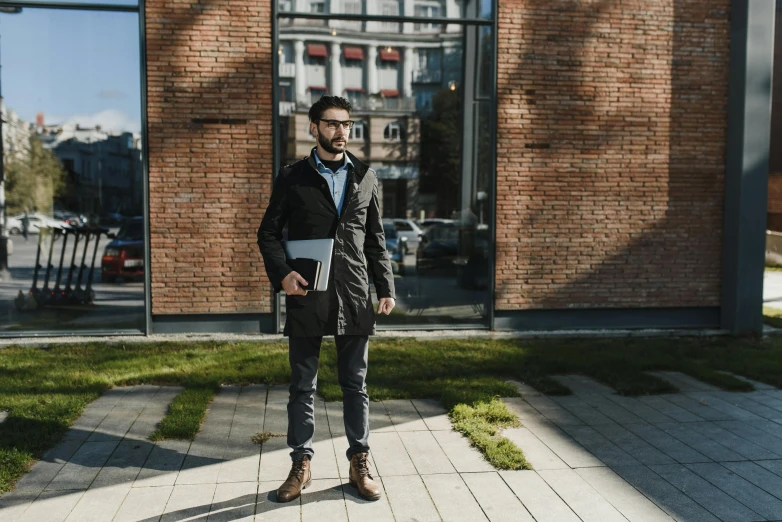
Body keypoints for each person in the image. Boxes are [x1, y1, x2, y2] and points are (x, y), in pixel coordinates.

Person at [257, 96, 396, 503]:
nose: (341, 132)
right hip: (307, 291)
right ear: (313, 128)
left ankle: (359, 462)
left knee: (356, 384)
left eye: (347, 125)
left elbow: (375, 239)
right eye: (333, 124)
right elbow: (268, 233)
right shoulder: (292, 176)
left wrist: (384, 286)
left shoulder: (366, 176)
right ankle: (301, 462)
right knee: (303, 385)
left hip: (354, 292)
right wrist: (283, 275)